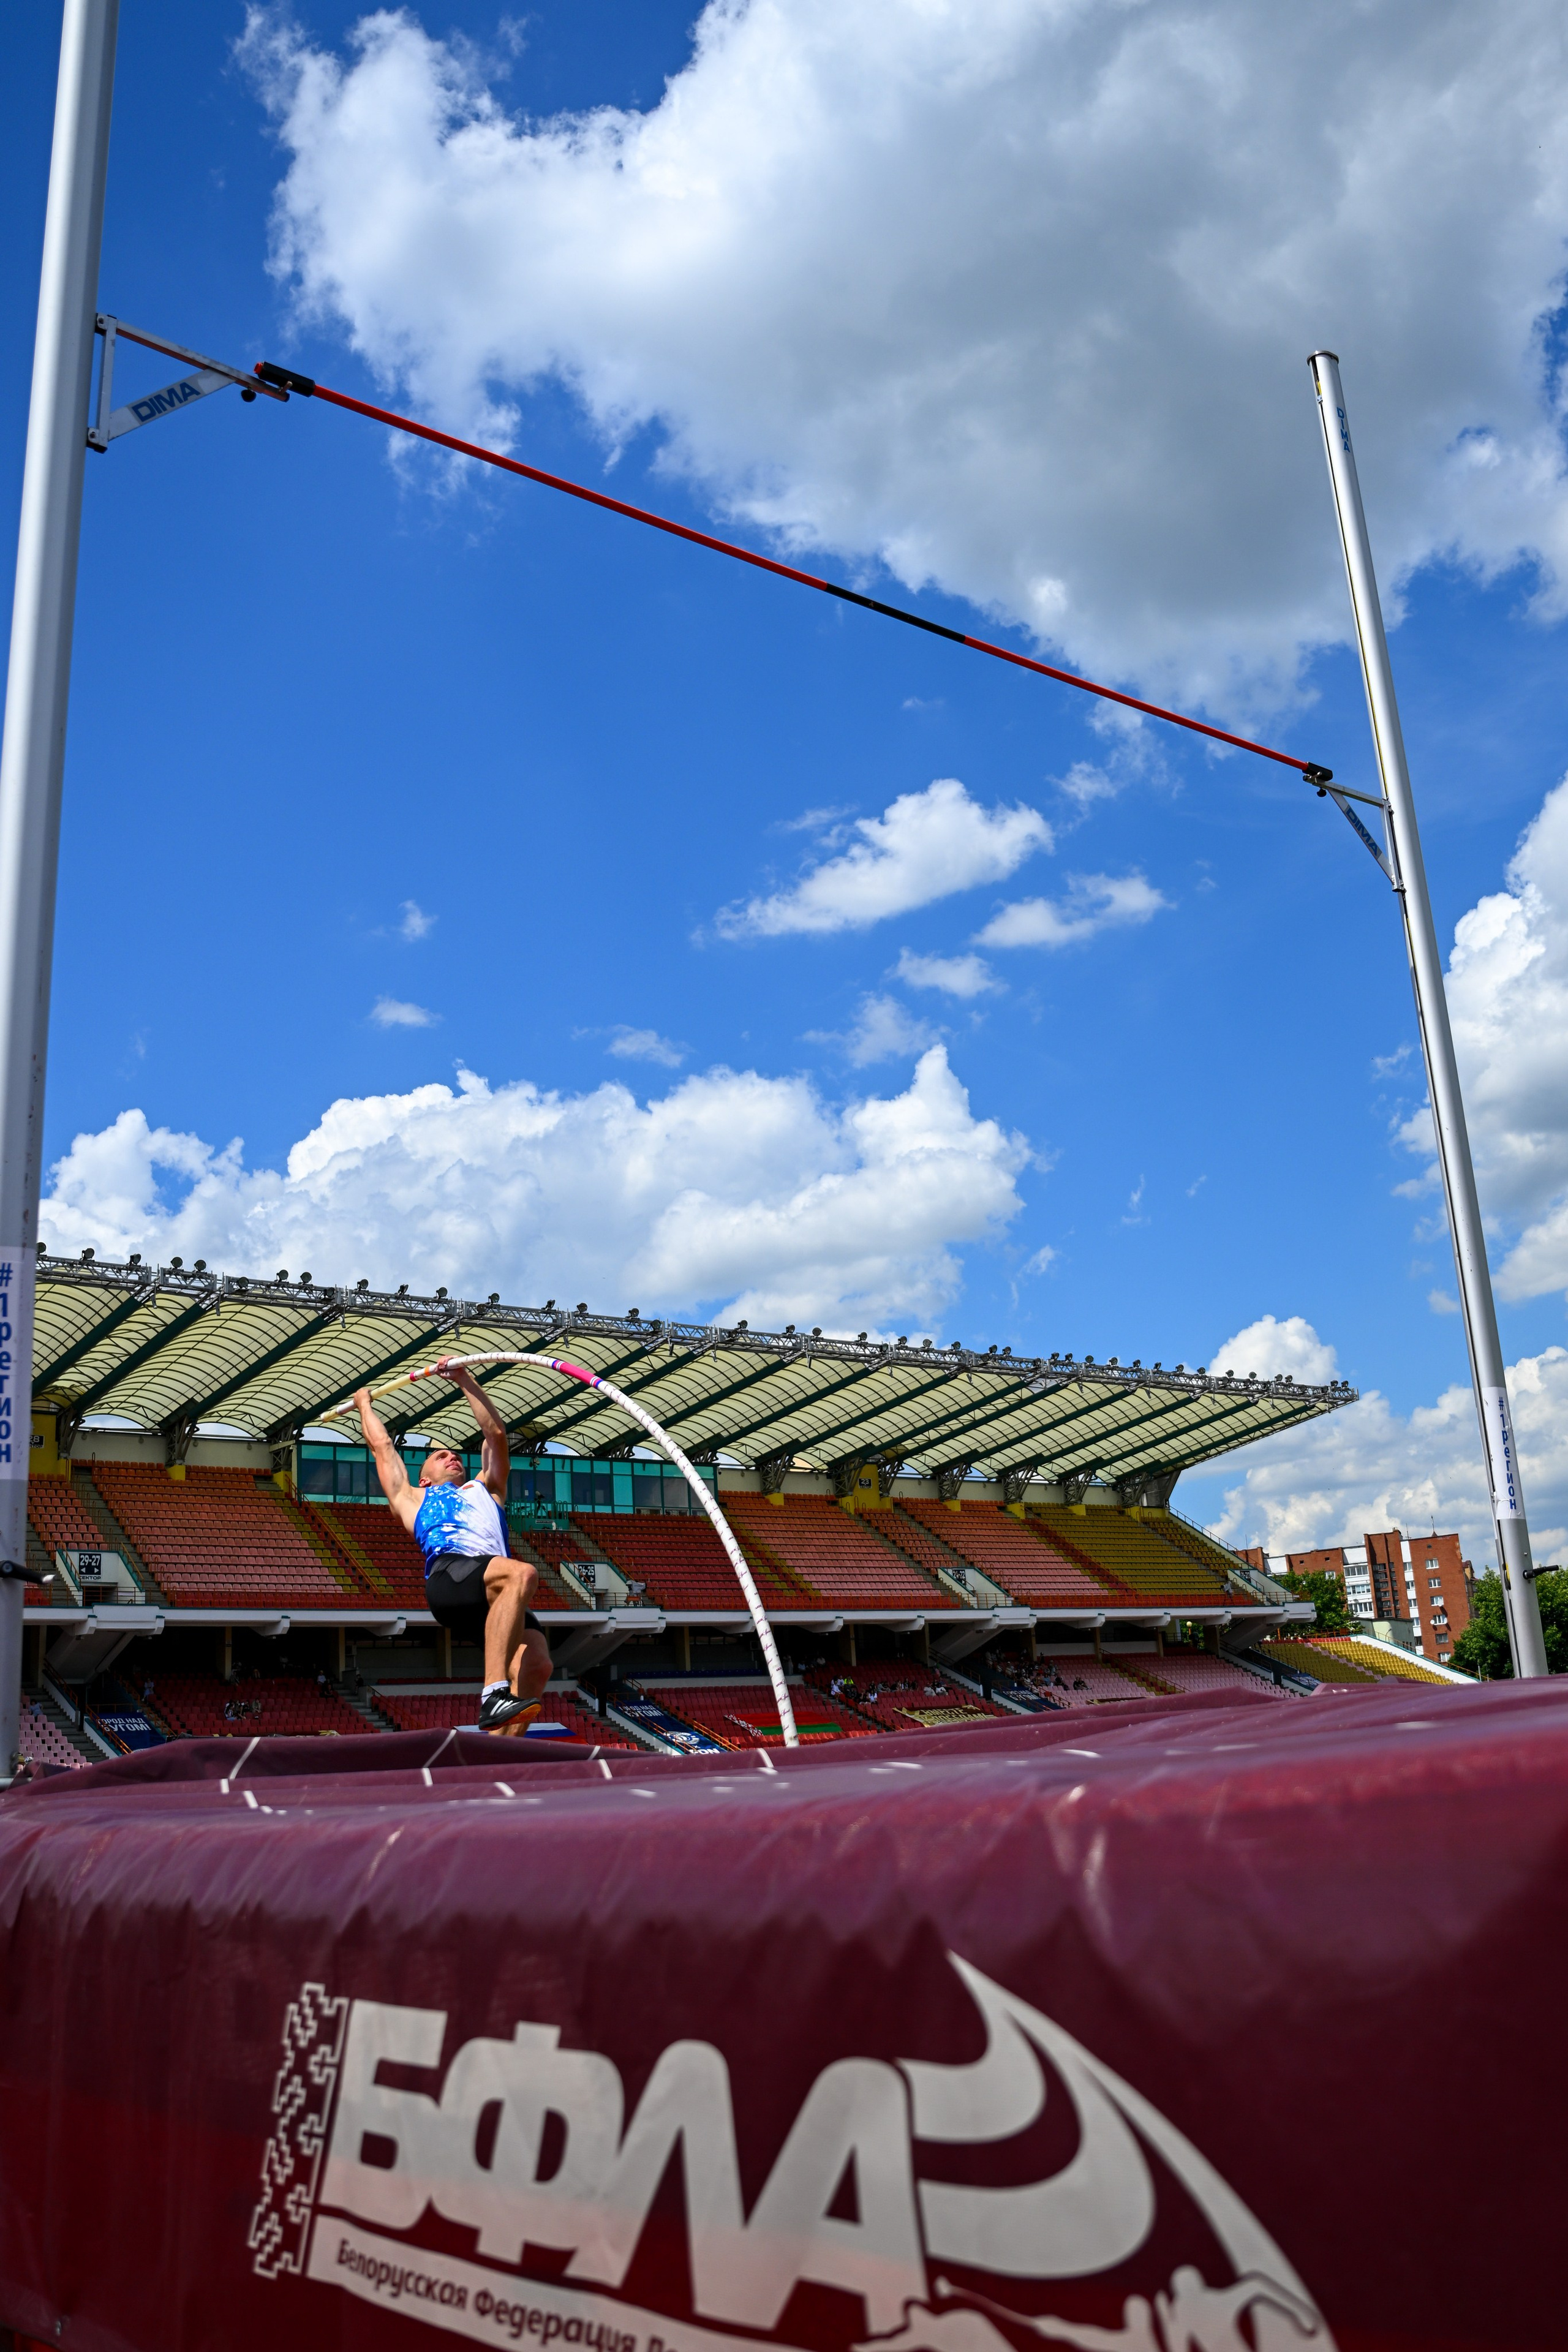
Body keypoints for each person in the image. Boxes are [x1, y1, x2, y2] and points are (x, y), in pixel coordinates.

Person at [354, 1360, 551, 1734]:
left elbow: (496, 1434)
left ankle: (498, 1754)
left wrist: (464, 1380)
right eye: (440, 1456)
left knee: (536, 1665)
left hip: (491, 1589)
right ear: (425, 1476)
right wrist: (364, 1403)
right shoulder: (414, 1498)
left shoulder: (488, 1488)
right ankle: (493, 1694)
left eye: (455, 1454)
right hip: (452, 1578)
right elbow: (382, 1448)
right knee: (521, 1574)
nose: (452, 1456)